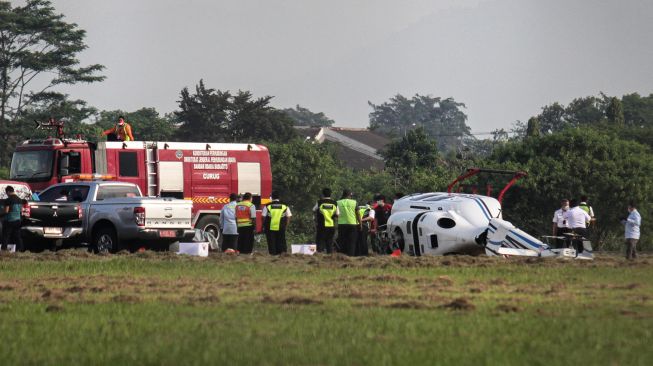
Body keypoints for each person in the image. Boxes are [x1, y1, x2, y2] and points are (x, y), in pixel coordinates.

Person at [263, 191, 291, 255]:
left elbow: (263, 216)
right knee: (281, 241)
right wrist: (286, 225)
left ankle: (273, 255)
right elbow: (289, 216)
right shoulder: (284, 205)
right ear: (279, 197)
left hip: (270, 227)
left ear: (272, 197)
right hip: (281, 226)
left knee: (271, 242)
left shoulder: (267, 205)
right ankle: (282, 254)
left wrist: (264, 224)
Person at [313, 188, 338, 254]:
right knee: (329, 243)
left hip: (321, 225)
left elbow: (313, 210)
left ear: (323, 194)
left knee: (320, 242)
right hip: (331, 225)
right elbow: (338, 214)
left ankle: (319, 258)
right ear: (330, 194)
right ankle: (329, 258)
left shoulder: (319, 202)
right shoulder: (334, 203)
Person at [1, 186, 26, 252]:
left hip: (9, 220)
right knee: (17, 236)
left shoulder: (8, 200)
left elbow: (6, 211)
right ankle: (20, 249)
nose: (7, 194)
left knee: (5, 236)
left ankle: (3, 250)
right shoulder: (20, 200)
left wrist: (1, 215)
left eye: (6, 193)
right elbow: (21, 211)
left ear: (8, 192)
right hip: (17, 220)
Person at [336, 189, 360, 256]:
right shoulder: (354, 202)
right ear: (350, 195)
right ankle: (351, 257)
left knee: (342, 241)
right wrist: (360, 224)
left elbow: (336, 214)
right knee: (352, 242)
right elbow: (358, 214)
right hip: (352, 224)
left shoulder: (337, 202)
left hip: (341, 224)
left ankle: (342, 256)